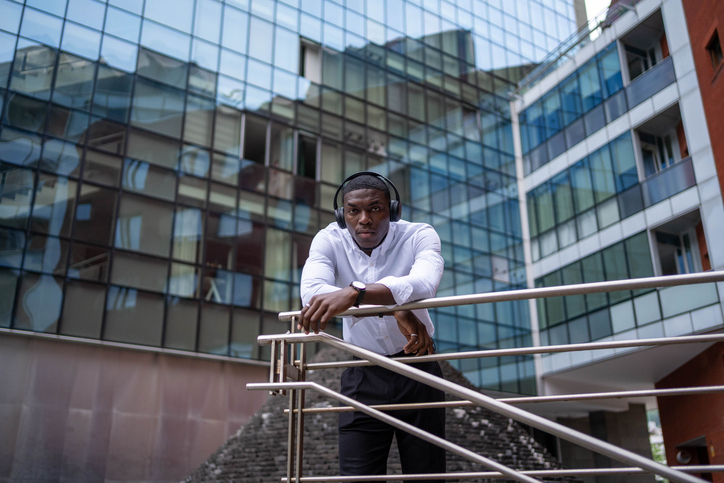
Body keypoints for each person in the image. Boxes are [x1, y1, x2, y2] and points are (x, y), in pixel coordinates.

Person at [299, 171, 446, 482]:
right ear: (343, 215)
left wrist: (357, 293)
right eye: (353, 210)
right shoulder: (328, 239)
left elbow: (423, 283)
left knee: (427, 477)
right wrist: (394, 307)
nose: (364, 219)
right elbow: (312, 293)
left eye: (375, 208)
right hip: (363, 374)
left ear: (392, 210)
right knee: (357, 478)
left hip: (419, 370)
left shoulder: (420, 235)